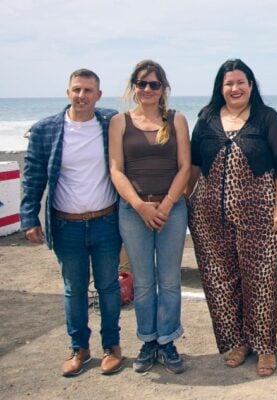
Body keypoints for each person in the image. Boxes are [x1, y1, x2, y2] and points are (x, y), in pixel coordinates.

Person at [187, 59, 277, 377]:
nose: (235, 88)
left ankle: (265, 347)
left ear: (251, 85)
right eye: (229, 83)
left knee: (262, 280)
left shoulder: (266, 117)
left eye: (241, 82)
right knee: (219, 281)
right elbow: (194, 164)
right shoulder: (206, 118)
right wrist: (184, 201)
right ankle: (236, 343)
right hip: (210, 216)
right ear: (220, 88)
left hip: (263, 215)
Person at [20, 69, 124, 377]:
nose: (82, 95)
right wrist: (29, 218)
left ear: (98, 95)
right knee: (74, 289)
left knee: (108, 286)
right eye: (77, 89)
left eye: (88, 90)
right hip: (66, 225)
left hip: (106, 222)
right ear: (68, 92)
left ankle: (112, 346)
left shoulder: (111, 123)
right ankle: (79, 348)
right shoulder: (46, 129)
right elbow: (33, 176)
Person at [108, 60, 191, 374]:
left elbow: (185, 167)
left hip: (172, 210)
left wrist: (167, 204)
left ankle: (167, 341)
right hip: (133, 213)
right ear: (133, 87)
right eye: (141, 83)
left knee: (169, 280)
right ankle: (148, 341)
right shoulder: (119, 122)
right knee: (143, 282)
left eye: (154, 84)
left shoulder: (177, 119)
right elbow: (116, 169)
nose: (147, 89)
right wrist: (139, 205)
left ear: (163, 88)